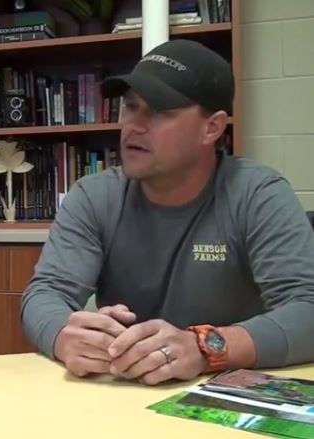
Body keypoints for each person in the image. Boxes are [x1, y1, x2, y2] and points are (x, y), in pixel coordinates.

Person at [21, 39, 314, 385]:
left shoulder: (257, 194)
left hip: (224, 399)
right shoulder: (94, 196)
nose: (135, 125)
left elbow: (307, 309)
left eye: (159, 112)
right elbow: (44, 295)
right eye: (130, 107)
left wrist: (203, 347)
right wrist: (64, 336)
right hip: (120, 398)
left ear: (212, 128)